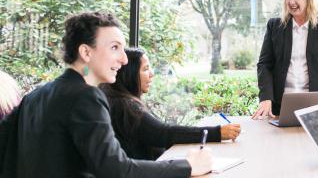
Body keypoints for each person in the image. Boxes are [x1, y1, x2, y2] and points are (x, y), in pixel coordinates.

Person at [8, 11, 212, 178]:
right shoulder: (86, 97)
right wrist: (187, 166)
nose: (124, 60)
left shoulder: (35, 96)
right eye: (115, 48)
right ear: (86, 53)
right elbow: (116, 170)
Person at [102, 48, 241, 160]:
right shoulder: (125, 106)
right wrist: (218, 132)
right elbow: (164, 134)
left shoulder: (120, 100)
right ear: (130, 74)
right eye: (145, 69)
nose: (151, 74)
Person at [253, 0, 318, 119]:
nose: (291, 2)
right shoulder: (274, 26)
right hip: (280, 104)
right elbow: (264, 65)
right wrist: (265, 97)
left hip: (315, 104)